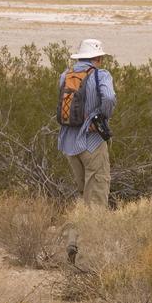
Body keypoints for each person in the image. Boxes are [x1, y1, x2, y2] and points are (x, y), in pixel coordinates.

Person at [58, 38, 116, 210]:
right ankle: (92, 234)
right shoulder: (101, 74)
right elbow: (109, 97)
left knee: (83, 193)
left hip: (69, 142)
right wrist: (101, 118)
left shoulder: (65, 75)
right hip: (92, 142)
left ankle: (81, 231)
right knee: (97, 194)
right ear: (97, 58)